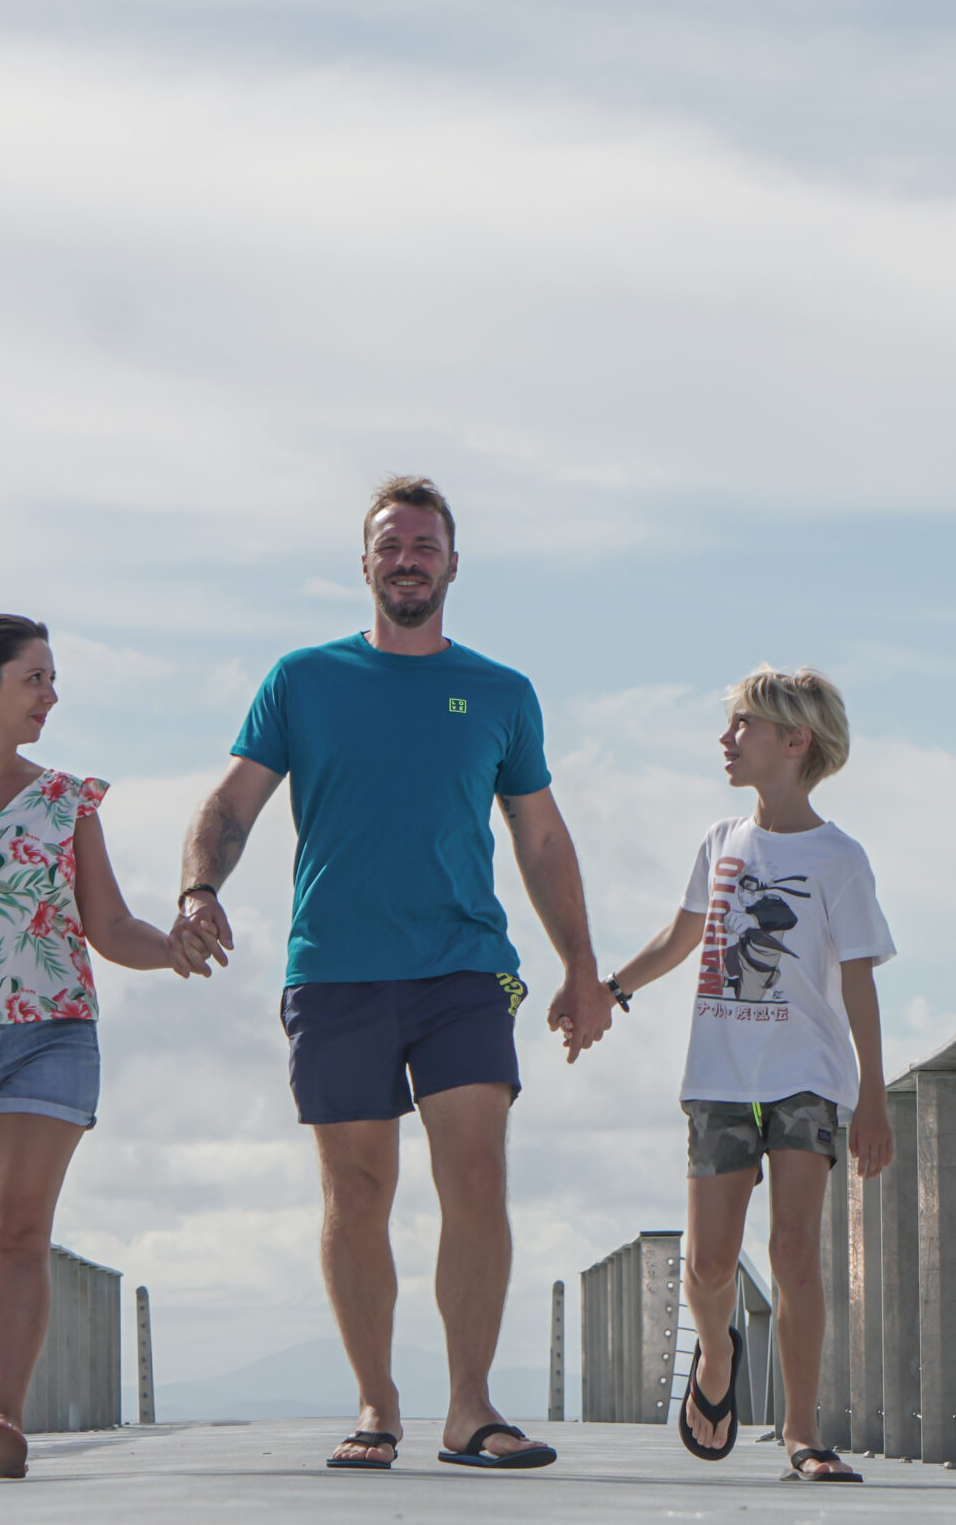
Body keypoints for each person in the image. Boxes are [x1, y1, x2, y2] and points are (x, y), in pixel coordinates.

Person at [178, 475, 615, 1474]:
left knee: (475, 1173)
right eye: (390, 545)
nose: (407, 560)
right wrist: (200, 888)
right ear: (365, 562)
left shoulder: (500, 692)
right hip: (334, 970)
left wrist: (581, 967)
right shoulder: (302, 680)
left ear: (452, 564)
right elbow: (231, 803)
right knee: (357, 1188)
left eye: (424, 545)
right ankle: (376, 1403)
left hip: (461, 966)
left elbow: (541, 839)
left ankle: (469, 1411)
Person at [0, 613, 217, 1481]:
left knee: (12, 1228)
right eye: (35, 679)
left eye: (52, 682)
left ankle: (2, 1415)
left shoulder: (67, 801)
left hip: (50, 1030)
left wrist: (170, 945)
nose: (51, 698)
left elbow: (109, 926)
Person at [602, 664, 895, 1481]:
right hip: (720, 1074)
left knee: (797, 1251)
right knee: (709, 1266)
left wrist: (872, 1094)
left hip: (806, 1076)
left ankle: (802, 1431)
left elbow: (860, 979)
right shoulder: (720, 841)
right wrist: (612, 991)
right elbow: (682, 935)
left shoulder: (840, 858)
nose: (726, 741)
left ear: (795, 742)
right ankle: (718, 1360)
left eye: (743, 727)